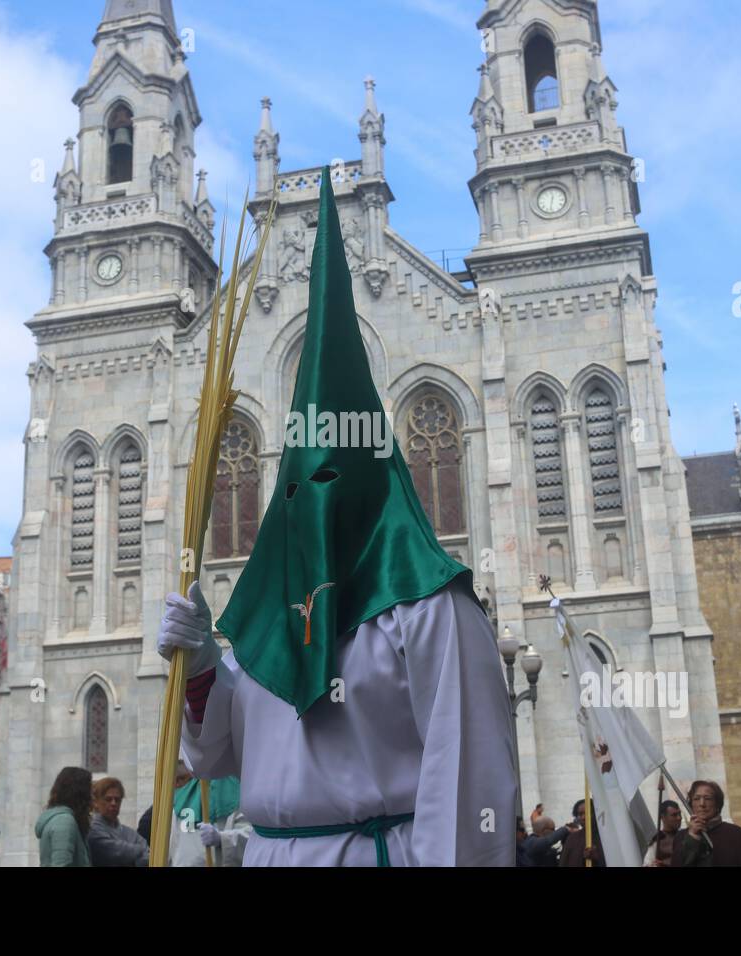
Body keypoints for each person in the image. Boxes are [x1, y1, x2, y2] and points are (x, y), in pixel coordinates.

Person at [161, 169, 517, 867]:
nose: (313, 505)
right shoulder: (268, 612)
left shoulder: (430, 608)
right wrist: (201, 665)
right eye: (299, 486)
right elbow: (215, 757)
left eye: (333, 481)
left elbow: (469, 776)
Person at [670, 780, 741, 867]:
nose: (702, 804)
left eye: (708, 798)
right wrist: (692, 837)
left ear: (717, 804)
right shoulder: (681, 836)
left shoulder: (736, 834)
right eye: (697, 799)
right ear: (691, 805)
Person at [170, 773, 251, 867]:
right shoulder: (182, 797)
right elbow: (173, 847)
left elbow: (253, 840)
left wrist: (222, 838)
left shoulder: (240, 793)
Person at [36, 767, 92, 867]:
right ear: (80, 793)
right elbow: (61, 863)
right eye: (89, 791)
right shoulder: (64, 822)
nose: (91, 797)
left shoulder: (63, 819)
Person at [87, 776, 148, 867]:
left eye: (117, 800)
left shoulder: (129, 832)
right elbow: (115, 851)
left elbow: (149, 855)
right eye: (108, 799)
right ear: (95, 802)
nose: (113, 803)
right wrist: (139, 852)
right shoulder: (92, 828)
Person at [559, 800, 602, 867]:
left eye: (587, 813)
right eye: (580, 814)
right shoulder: (572, 838)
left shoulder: (605, 837)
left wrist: (598, 857)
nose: (583, 817)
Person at [643, 800, 682, 867]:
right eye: (674, 815)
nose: (679, 818)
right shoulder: (657, 841)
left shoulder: (685, 835)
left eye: (679, 814)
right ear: (663, 818)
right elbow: (647, 864)